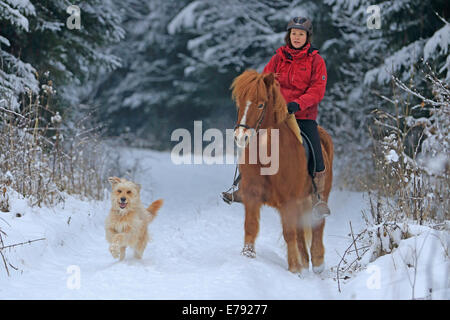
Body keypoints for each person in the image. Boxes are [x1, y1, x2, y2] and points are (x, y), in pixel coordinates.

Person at [222, 16, 330, 218]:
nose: (297, 37)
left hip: (302, 114)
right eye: (294, 33)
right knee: (252, 140)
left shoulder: (316, 60)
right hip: (276, 113)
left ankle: (318, 196)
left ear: (308, 37)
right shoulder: (278, 58)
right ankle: (241, 186)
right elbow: (262, 84)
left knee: (315, 147)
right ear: (288, 36)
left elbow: (318, 89)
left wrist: (298, 103)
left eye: (301, 34)